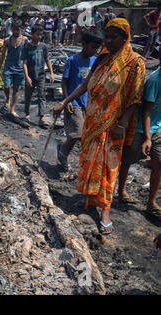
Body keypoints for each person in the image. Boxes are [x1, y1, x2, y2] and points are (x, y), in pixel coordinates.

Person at [53, 18, 146, 234]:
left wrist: (122, 124)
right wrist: (64, 102)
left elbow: (135, 98)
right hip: (92, 122)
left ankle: (105, 209)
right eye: (107, 36)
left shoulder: (135, 63)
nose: (110, 41)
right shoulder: (101, 58)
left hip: (114, 125)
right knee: (89, 159)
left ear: (125, 38)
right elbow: (85, 85)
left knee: (108, 166)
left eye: (115, 37)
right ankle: (88, 199)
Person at [118, 53, 161, 218]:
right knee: (128, 159)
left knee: (159, 163)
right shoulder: (155, 81)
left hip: (157, 128)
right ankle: (121, 190)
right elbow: (146, 111)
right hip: (140, 128)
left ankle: (151, 202)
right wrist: (148, 138)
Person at [56, 30, 104, 171]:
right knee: (77, 133)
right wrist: (67, 100)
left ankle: (62, 150)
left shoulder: (95, 61)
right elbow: (64, 81)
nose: (95, 51)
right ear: (84, 44)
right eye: (93, 47)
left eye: (97, 48)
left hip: (87, 102)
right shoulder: (72, 60)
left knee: (80, 135)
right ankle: (63, 154)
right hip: (73, 101)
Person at [22, 24, 54, 128]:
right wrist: (26, 76)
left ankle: (42, 117)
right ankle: (27, 115)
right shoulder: (27, 47)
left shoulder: (43, 46)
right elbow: (25, 63)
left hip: (41, 75)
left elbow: (47, 60)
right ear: (31, 34)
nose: (39, 36)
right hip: (30, 75)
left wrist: (51, 73)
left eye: (41, 35)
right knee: (28, 96)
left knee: (42, 96)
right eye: (37, 34)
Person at [0, 20, 28, 118]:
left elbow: (27, 55)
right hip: (8, 67)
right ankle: (7, 99)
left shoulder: (25, 40)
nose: (16, 32)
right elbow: (2, 55)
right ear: (11, 29)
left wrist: (27, 70)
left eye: (17, 30)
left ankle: (12, 109)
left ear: (21, 29)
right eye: (14, 29)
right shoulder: (7, 40)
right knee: (6, 87)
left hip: (19, 68)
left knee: (16, 89)